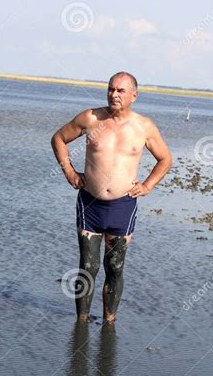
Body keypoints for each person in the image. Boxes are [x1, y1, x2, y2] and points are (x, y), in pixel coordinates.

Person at [51, 71, 173, 323]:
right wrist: (70, 173)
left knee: (115, 267)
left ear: (134, 96)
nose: (114, 94)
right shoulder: (91, 118)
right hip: (90, 203)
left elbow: (165, 159)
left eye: (120, 91)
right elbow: (59, 138)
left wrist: (148, 185)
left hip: (122, 206)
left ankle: (109, 323)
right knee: (88, 267)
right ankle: (81, 323)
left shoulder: (143, 127)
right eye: (110, 89)